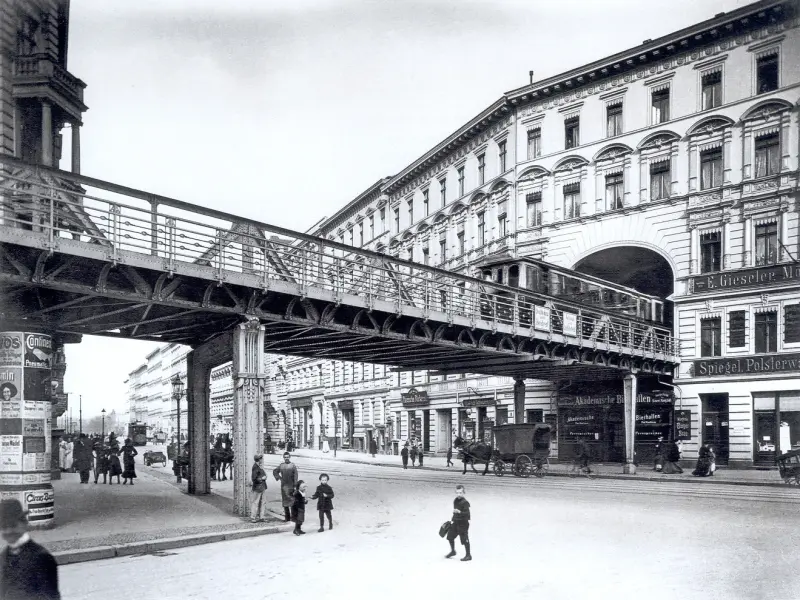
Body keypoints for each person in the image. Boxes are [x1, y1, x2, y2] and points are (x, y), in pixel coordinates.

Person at [0, 498, 61, 599]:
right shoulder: (2, 558)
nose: (8, 531)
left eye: (13, 525)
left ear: (24, 524)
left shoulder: (41, 557)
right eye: (3, 527)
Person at [445, 484, 472, 562]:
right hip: (456, 522)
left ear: (463, 493)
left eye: (460, 493)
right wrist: (452, 520)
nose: (458, 494)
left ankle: (468, 555)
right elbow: (455, 512)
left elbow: (467, 515)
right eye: (457, 493)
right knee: (450, 536)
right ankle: (453, 551)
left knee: (464, 539)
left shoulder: (465, 503)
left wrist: (460, 512)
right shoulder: (455, 500)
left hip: (463, 523)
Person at [273, 452, 299, 522]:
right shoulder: (281, 465)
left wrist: (295, 485)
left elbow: (296, 476)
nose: (286, 458)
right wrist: (279, 478)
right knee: (285, 503)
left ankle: (294, 518)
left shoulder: (292, 465)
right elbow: (275, 471)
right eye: (285, 457)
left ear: (289, 457)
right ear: (283, 458)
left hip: (291, 486)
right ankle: (287, 518)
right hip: (284, 487)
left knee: (292, 502)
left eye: (287, 457)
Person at [250, 454, 268, 523]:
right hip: (258, 487)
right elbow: (254, 479)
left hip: (262, 487)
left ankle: (261, 517)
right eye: (261, 459)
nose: (262, 460)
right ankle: (253, 517)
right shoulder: (255, 467)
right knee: (256, 502)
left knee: (263, 502)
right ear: (259, 459)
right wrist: (262, 478)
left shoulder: (258, 466)